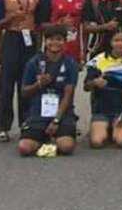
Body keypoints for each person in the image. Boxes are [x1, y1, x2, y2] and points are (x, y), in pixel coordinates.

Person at [0, 0, 39, 142]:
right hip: (11, 39)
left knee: (26, 84)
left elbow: (40, 26)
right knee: (6, 85)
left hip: (30, 41)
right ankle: (3, 127)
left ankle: (26, 124)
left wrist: (40, 50)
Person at [17, 26, 78, 156]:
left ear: (64, 42)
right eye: (50, 39)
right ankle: (43, 138)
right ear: (45, 41)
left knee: (66, 147)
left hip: (62, 114)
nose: (55, 43)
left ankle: (57, 135)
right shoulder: (33, 62)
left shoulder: (70, 63)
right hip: (38, 113)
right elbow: (24, 92)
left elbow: (68, 95)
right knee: (24, 148)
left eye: (59, 39)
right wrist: (38, 84)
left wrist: (56, 120)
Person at [84, 30, 122, 149]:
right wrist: (94, 82)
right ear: (110, 42)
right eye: (116, 40)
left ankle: (115, 128)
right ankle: (105, 128)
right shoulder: (98, 60)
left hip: (119, 109)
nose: (120, 44)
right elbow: (86, 87)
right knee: (97, 142)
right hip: (101, 109)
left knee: (121, 142)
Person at [35, 0, 89, 64]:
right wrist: (58, 24)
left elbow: (85, 28)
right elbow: (40, 25)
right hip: (53, 50)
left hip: (75, 50)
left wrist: (84, 52)